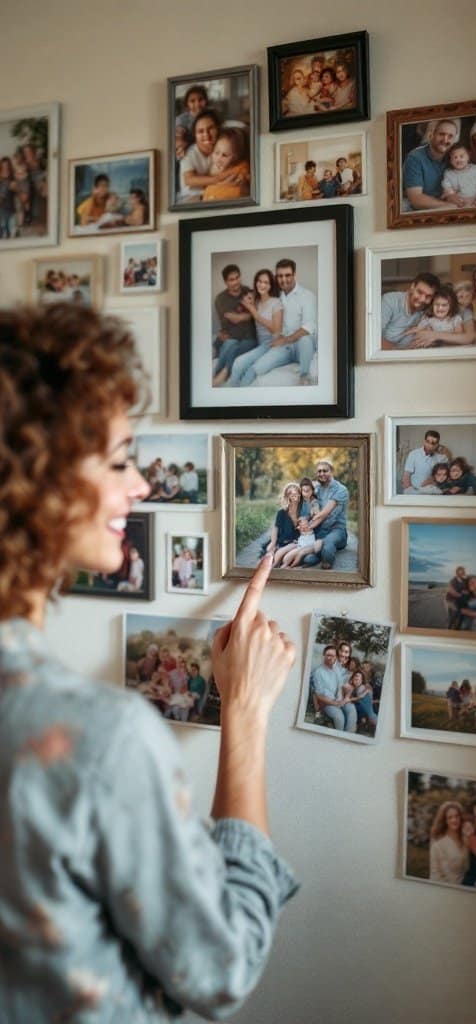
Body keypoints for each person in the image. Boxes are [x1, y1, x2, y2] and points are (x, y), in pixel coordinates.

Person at [0, 303, 297, 1021]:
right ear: (34, 476)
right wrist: (247, 713)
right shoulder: (97, 736)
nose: (140, 487)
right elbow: (221, 969)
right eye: (120, 460)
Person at [244, 259, 317, 386]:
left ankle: (304, 376)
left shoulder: (307, 296)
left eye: (287, 275)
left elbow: (308, 327)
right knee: (257, 368)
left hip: (301, 344)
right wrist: (249, 299)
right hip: (284, 346)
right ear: (276, 277)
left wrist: (286, 339)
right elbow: (259, 293)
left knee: (305, 339)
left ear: (294, 274)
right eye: (280, 276)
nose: (284, 279)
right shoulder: (277, 296)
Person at [228, 268, 284, 387]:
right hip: (260, 344)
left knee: (240, 364)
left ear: (271, 285)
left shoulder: (276, 302)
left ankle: (232, 391)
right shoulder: (255, 301)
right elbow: (240, 300)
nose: (262, 285)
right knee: (245, 367)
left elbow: (276, 330)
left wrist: (255, 313)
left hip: (272, 343)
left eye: (266, 282)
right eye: (259, 281)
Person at [212, 263, 257, 386]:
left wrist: (247, 315)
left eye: (237, 277)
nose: (236, 282)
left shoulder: (248, 291)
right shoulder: (220, 298)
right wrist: (248, 315)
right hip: (230, 335)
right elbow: (232, 318)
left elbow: (255, 314)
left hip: (249, 337)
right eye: (231, 280)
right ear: (226, 282)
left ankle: (222, 374)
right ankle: (216, 374)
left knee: (232, 346)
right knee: (229, 343)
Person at [402, 119, 460, 211]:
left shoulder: (455, 157)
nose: (445, 140)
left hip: (446, 205)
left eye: (450, 136)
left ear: (454, 140)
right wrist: (447, 205)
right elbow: (415, 199)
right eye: (441, 134)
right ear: (431, 134)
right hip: (418, 207)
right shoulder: (415, 157)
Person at [302, 459, 349, 570]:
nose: (322, 474)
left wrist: (308, 526)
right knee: (307, 559)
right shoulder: (316, 488)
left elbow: (324, 513)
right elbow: (307, 500)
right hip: (320, 530)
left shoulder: (341, 490)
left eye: (325, 471)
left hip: (336, 530)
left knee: (327, 550)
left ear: (331, 471)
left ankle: (326, 552)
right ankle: (320, 551)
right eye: (319, 471)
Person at [380, 273, 440, 350]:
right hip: (388, 354)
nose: (422, 299)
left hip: (412, 353)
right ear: (412, 287)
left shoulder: (429, 308)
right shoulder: (390, 300)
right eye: (420, 292)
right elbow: (374, 337)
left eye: (428, 296)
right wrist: (398, 353)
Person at [178, 108, 224, 201]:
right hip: (192, 196)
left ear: (218, 129)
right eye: (200, 131)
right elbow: (189, 180)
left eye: (210, 128)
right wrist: (218, 179)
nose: (206, 134)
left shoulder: (222, 146)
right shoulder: (188, 153)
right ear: (195, 135)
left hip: (214, 192)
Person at [310, 645, 357, 733]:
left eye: (333, 655)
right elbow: (319, 695)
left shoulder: (337, 670)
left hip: (339, 700)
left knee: (351, 709)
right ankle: (339, 737)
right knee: (339, 717)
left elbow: (349, 687)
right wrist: (335, 703)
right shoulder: (318, 672)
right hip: (327, 703)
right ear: (323, 655)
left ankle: (348, 735)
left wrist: (346, 698)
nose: (331, 658)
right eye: (328, 655)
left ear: (336, 657)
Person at [202, 127, 250, 202]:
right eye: (216, 152)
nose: (218, 159)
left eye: (224, 155)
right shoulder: (211, 166)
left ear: (235, 157)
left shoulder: (239, 170)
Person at [429, 802, 469, 885]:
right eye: (449, 817)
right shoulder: (438, 845)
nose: (454, 820)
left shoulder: (466, 838)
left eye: (456, 816)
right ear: (445, 820)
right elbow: (435, 876)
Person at [441, 142, 476, 207]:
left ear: (468, 157)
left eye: (461, 156)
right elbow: (447, 187)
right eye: (455, 157)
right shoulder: (449, 173)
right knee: (449, 200)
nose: (458, 160)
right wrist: (453, 197)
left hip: (475, 200)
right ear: (450, 161)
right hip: (457, 202)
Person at [266, 482, 301, 566]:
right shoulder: (282, 512)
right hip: (283, 541)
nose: (293, 494)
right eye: (290, 493)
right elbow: (275, 528)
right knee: (270, 551)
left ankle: (277, 566)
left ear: (300, 494)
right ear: (287, 496)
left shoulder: (303, 511)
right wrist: (273, 542)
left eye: (295, 492)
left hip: (297, 542)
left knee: (283, 556)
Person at [445, 564, 468, 629]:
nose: (463, 572)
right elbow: (452, 592)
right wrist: (461, 594)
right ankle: (449, 628)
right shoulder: (453, 580)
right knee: (453, 615)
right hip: (451, 600)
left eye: (463, 571)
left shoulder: (464, 580)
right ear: (457, 572)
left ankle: (457, 629)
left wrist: (465, 592)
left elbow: (466, 590)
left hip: (460, 600)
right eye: (461, 571)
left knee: (461, 616)